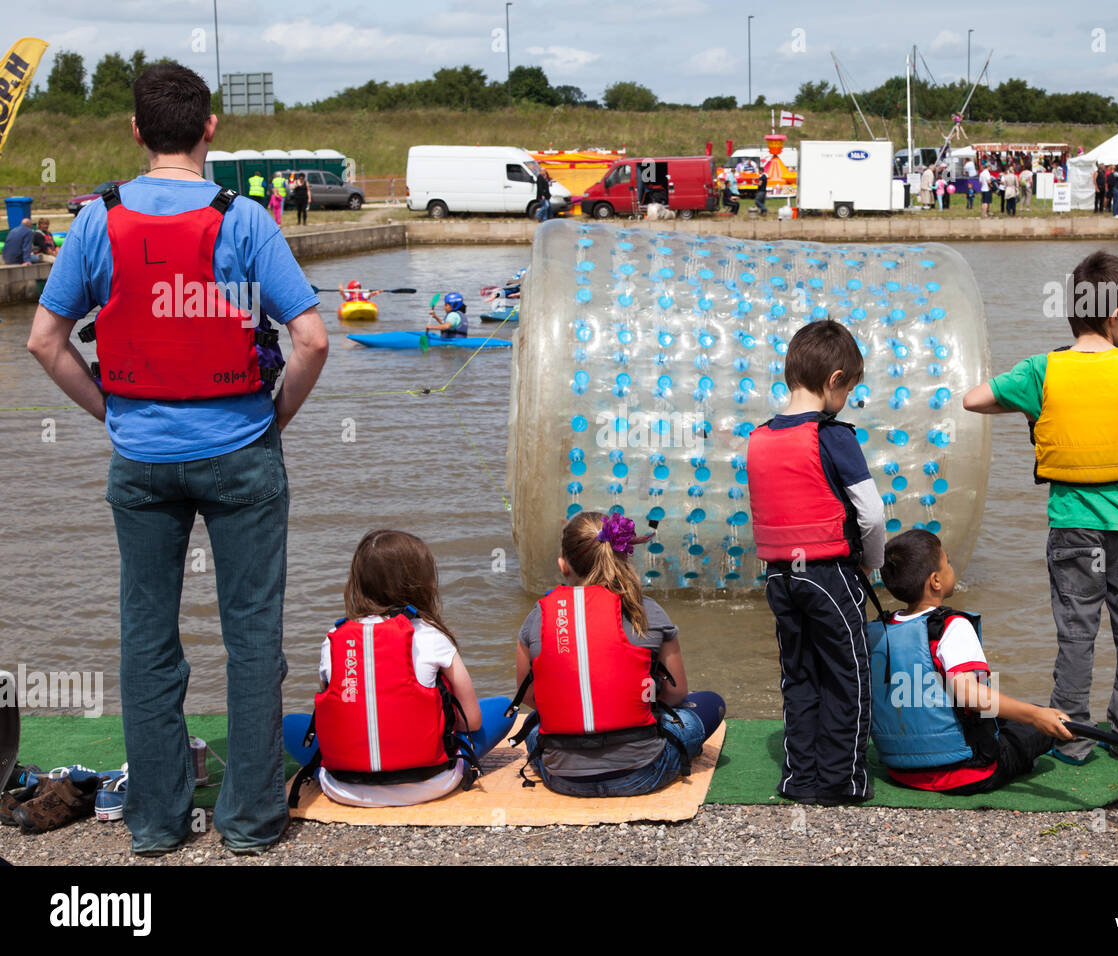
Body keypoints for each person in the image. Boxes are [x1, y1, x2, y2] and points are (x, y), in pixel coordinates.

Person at [25, 63, 328, 855]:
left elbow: (44, 342)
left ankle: (157, 823)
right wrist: (274, 421)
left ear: (135, 131)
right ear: (210, 130)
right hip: (242, 451)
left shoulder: (98, 220)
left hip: (141, 458)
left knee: (148, 638)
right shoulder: (248, 220)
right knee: (253, 638)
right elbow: (311, 340)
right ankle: (252, 820)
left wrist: (111, 413)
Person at [962, 251, 1118, 764]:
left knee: (1076, 632)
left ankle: (1072, 741)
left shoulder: (1040, 370)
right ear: (1114, 317)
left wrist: (1028, 400)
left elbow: (974, 400)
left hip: (1070, 528)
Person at [747, 320, 886, 805]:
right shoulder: (834, 436)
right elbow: (871, 513)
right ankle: (840, 782)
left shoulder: (759, 437)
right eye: (849, 388)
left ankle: (798, 779)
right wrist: (872, 563)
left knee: (799, 675)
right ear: (835, 380)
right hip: (828, 575)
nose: (847, 399)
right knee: (849, 674)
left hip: (779, 578)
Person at [286, 530, 514, 807]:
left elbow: (336, 712)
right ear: (422, 583)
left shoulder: (334, 637)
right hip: (431, 782)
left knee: (287, 725)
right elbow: (472, 721)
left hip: (344, 786)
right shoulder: (431, 635)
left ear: (357, 583)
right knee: (502, 707)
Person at [510, 511, 726, 797]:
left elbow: (529, 697)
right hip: (643, 772)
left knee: (533, 724)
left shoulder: (538, 616)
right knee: (710, 703)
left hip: (562, 777)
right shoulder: (646, 610)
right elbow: (676, 693)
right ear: (621, 555)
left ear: (564, 566)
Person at [868, 530, 1075, 793]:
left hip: (901, 771)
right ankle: (1023, 759)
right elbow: (968, 694)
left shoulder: (879, 630)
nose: (951, 567)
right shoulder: (951, 625)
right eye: (948, 563)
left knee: (1005, 715)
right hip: (965, 774)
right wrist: (1036, 716)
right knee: (1038, 726)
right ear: (935, 581)